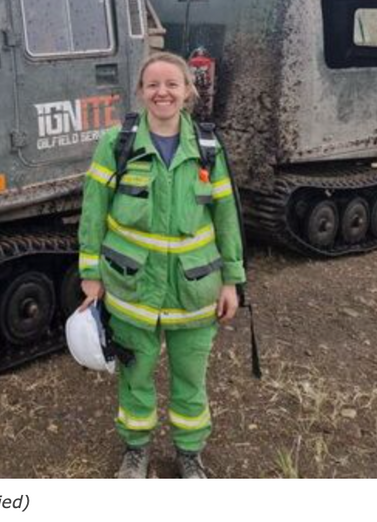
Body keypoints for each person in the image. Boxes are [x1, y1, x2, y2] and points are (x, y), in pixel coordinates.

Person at [77, 51, 244, 479]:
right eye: (153, 85)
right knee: (136, 378)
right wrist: (91, 273)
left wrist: (232, 281)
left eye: (172, 84)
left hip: (194, 290)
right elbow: (94, 211)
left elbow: (225, 214)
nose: (162, 92)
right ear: (140, 92)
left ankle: (190, 454)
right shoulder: (117, 144)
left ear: (188, 91)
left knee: (191, 380)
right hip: (132, 290)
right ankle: (136, 452)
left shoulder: (208, 147)